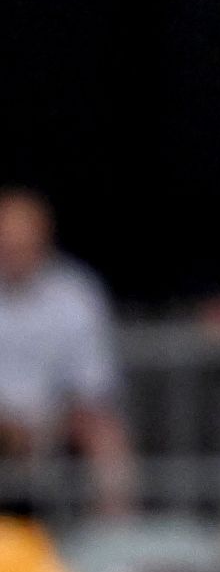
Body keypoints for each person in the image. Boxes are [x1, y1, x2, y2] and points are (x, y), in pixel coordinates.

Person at [0, 189, 134, 516]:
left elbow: (94, 384)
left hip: (56, 420)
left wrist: (47, 423)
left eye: (22, 243)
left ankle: (113, 543)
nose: (13, 253)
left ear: (43, 239)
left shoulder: (76, 293)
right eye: (5, 243)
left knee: (105, 432)